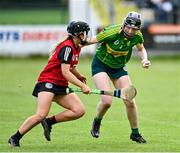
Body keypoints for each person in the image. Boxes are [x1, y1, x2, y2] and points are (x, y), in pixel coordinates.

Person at [8, 21, 91, 147]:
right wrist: (82, 85)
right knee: (41, 114)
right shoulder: (67, 47)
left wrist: (78, 75)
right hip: (48, 82)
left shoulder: (76, 47)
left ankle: (49, 122)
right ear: (77, 35)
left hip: (61, 84)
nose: (85, 36)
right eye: (84, 33)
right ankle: (15, 138)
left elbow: (70, 66)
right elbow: (65, 72)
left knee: (79, 110)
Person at [86, 11, 151, 143]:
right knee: (107, 102)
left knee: (130, 101)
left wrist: (144, 59)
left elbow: (141, 48)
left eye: (134, 29)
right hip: (101, 65)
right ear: (124, 24)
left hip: (119, 68)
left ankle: (135, 134)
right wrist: (71, 45)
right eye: (128, 27)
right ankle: (97, 121)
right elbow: (90, 41)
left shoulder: (137, 36)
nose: (130, 31)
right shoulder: (111, 32)